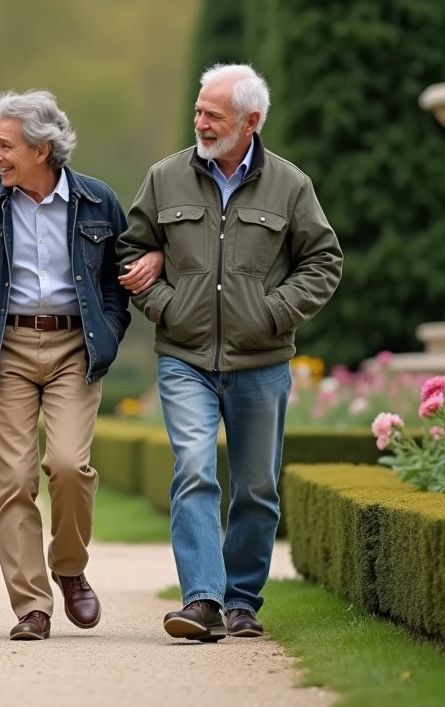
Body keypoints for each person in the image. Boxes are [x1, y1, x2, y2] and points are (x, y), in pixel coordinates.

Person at [117, 63, 342, 642]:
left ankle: (242, 600)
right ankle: (201, 600)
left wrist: (273, 313)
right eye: (199, 111)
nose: (200, 122)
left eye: (213, 115)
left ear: (252, 121)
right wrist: (166, 305)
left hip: (262, 361)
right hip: (184, 355)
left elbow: (324, 262)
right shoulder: (165, 178)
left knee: (257, 487)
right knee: (193, 469)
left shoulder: (290, 185)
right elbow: (132, 251)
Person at [0, 90, 157, 641]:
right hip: (4, 350)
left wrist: (106, 333)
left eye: (5, 146)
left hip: (73, 350)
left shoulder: (99, 201)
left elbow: (115, 282)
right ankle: (31, 607)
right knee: (12, 479)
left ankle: (69, 567)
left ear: (42, 149)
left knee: (66, 465)